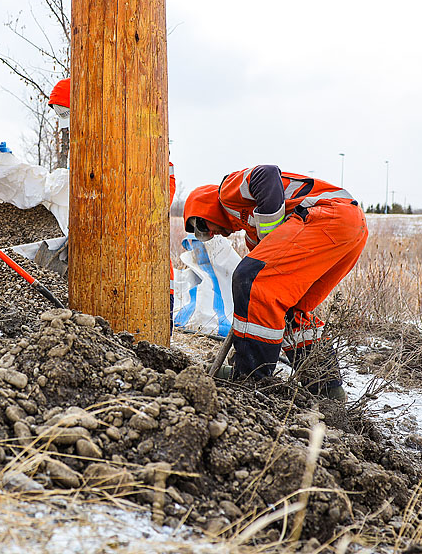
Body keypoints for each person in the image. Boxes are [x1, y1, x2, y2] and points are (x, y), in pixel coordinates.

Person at [184, 165, 367, 400]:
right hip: (349, 229)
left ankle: (251, 379)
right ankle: (327, 390)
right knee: (288, 306)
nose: (209, 235)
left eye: (201, 227)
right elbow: (261, 299)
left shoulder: (228, 192)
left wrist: (268, 234)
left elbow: (267, 174)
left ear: (206, 208)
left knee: (250, 279)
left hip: (328, 215)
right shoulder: (252, 231)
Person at [47, 78, 176, 334]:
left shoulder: (126, 133)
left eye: (66, 112)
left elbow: (162, 189)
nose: (65, 120)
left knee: (149, 339)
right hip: (108, 266)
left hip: (144, 264)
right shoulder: (86, 142)